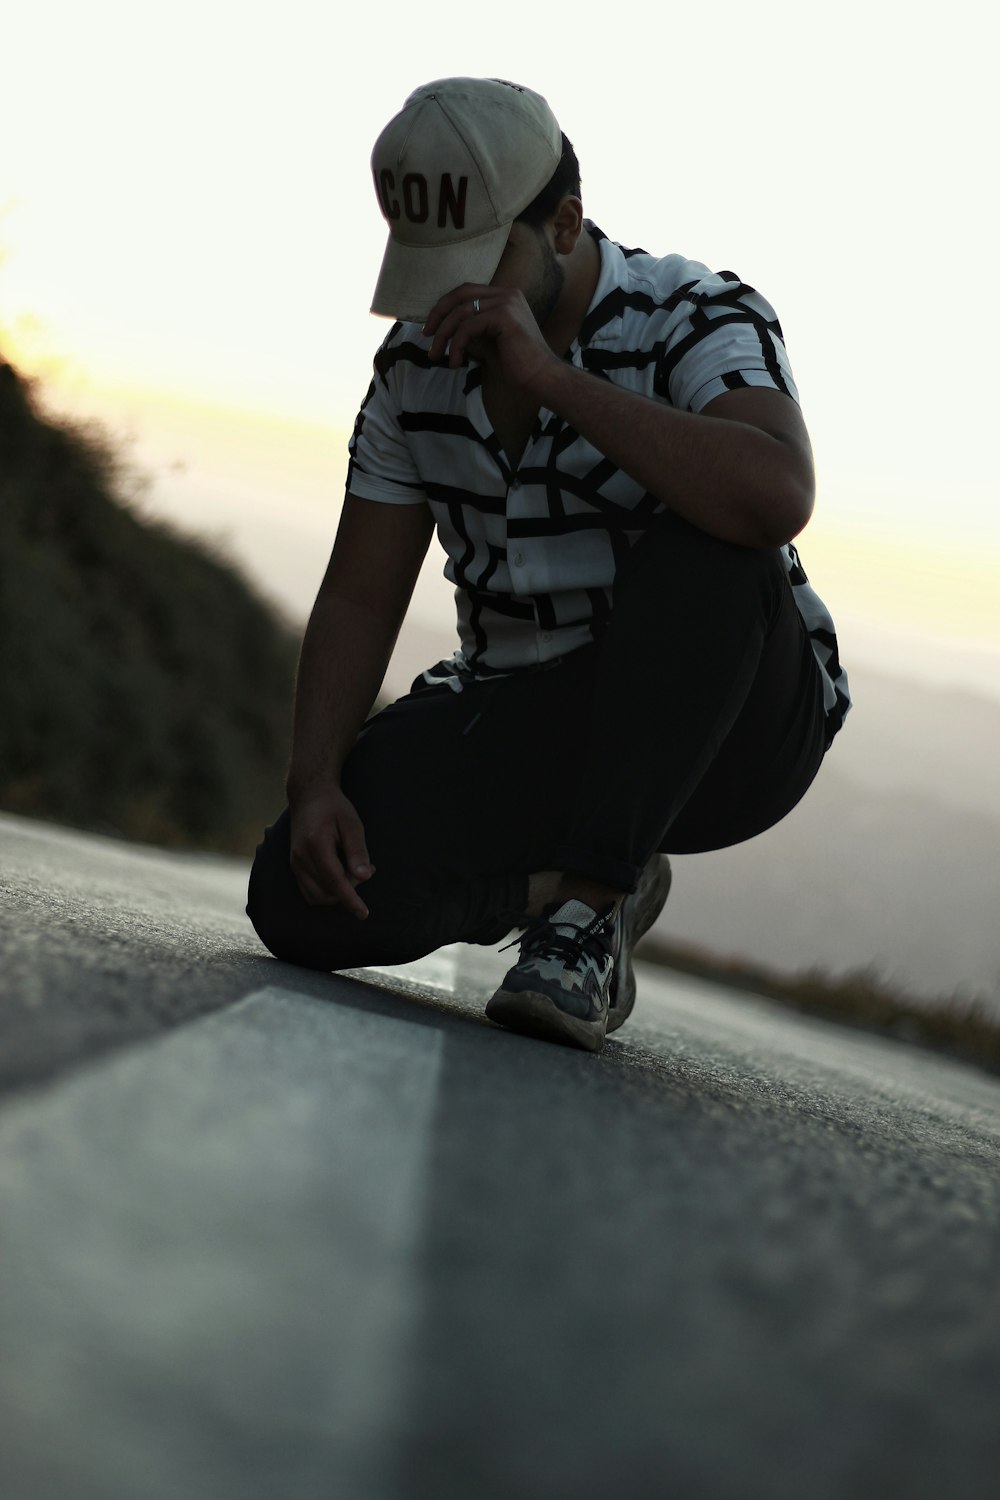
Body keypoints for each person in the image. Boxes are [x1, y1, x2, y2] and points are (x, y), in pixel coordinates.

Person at [247, 76, 850, 1054]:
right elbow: (361, 595)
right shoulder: (414, 368)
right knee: (295, 894)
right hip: (533, 706)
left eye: (481, 259)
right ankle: (566, 890)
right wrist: (314, 780)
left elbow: (774, 493)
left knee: (719, 540)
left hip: (731, 722)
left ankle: (589, 913)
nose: (451, 293)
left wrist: (550, 380)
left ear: (565, 224)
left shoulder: (695, 314)